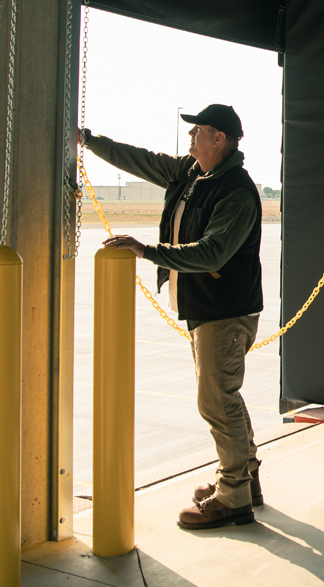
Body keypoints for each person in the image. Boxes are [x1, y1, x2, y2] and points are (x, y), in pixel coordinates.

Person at [83, 104, 263, 530]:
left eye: (197, 131)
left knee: (216, 401)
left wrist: (146, 251)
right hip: (204, 310)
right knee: (224, 398)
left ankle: (233, 497)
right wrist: (88, 142)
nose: (189, 138)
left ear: (219, 138)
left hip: (225, 311)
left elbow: (214, 252)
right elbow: (140, 160)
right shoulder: (190, 172)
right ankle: (243, 479)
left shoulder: (235, 190)